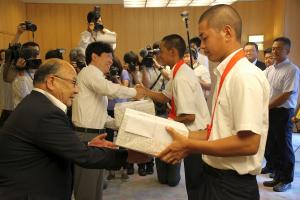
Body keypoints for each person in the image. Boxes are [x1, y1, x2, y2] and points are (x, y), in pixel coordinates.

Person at [158, 4, 269, 200]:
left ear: (227, 32)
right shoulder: (226, 73)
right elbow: (216, 131)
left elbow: (249, 144)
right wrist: (180, 136)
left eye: (204, 37)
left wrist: (190, 145)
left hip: (231, 185)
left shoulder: (244, 75)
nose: (201, 46)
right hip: (215, 178)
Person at [0, 58, 147, 200]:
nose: (77, 90)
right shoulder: (45, 112)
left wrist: (88, 145)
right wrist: (126, 156)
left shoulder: (37, 104)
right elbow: (83, 156)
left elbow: (56, 145)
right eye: (74, 83)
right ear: (51, 82)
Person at [72, 41, 145, 200]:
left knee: (96, 186)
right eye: (108, 56)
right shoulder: (89, 72)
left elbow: (102, 117)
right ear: (94, 56)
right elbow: (110, 89)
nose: (111, 60)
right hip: (87, 137)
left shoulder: (96, 77)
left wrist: (124, 124)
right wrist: (135, 92)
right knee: (87, 187)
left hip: (96, 135)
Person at [140, 34, 210, 195]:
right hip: (193, 132)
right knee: (194, 180)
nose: (159, 56)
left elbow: (189, 116)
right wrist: (145, 91)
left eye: (162, 52)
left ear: (172, 52)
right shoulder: (178, 71)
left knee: (195, 182)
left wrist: (164, 122)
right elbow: (165, 96)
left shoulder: (182, 77)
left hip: (196, 134)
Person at [263, 37, 300, 192]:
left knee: (284, 146)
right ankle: (277, 176)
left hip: (283, 112)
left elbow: (286, 94)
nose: (275, 51)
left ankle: (286, 180)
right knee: (271, 145)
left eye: (279, 48)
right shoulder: (270, 70)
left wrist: (266, 107)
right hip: (269, 111)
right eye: (273, 48)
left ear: (288, 51)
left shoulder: (292, 70)